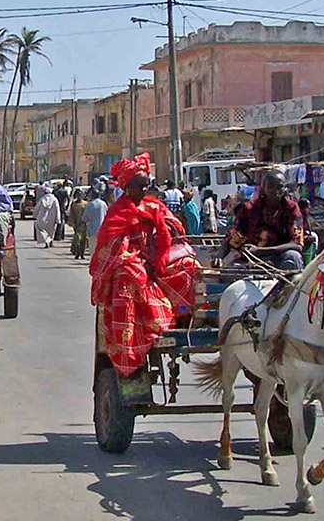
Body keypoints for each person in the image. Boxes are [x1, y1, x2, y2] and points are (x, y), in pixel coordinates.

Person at [90, 153, 196, 376]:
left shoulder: (154, 206)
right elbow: (113, 247)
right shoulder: (117, 212)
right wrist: (138, 261)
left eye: (147, 185)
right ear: (127, 187)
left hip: (156, 260)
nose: (146, 190)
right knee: (128, 276)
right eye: (141, 186)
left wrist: (161, 247)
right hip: (131, 261)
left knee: (188, 265)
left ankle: (185, 317)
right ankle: (129, 348)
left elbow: (174, 229)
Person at [221, 169, 305, 271]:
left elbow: (297, 244)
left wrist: (261, 250)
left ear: (285, 189)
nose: (275, 191)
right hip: (253, 260)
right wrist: (218, 257)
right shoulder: (250, 209)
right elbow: (233, 237)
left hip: (281, 259)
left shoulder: (291, 209)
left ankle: (290, 287)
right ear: (263, 188)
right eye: (270, 186)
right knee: (229, 271)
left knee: (293, 256)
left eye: (280, 187)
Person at [68, 188, 91, 259]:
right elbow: (72, 214)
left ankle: (82, 253)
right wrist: (73, 224)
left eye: (80, 194)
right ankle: (77, 252)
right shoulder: (74, 204)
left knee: (83, 239)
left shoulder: (85, 204)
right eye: (78, 194)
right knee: (77, 239)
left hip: (84, 224)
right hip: (77, 224)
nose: (79, 196)